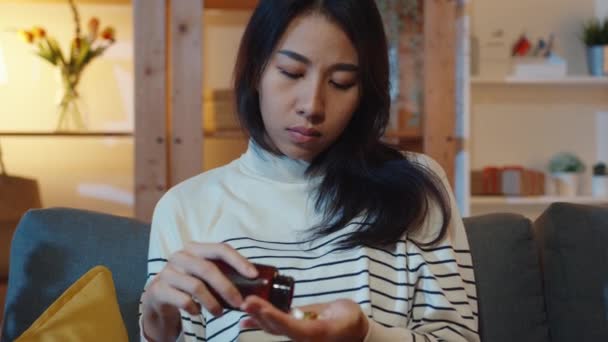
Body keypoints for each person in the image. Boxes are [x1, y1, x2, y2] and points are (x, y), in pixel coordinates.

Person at [139, 0, 479, 341]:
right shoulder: (186, 207)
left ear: (364, 91)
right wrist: (157, 327)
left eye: (342, 82)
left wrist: (366, 336)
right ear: (256, 70)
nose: (312, 106)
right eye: (291, 72)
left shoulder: (417, 186)